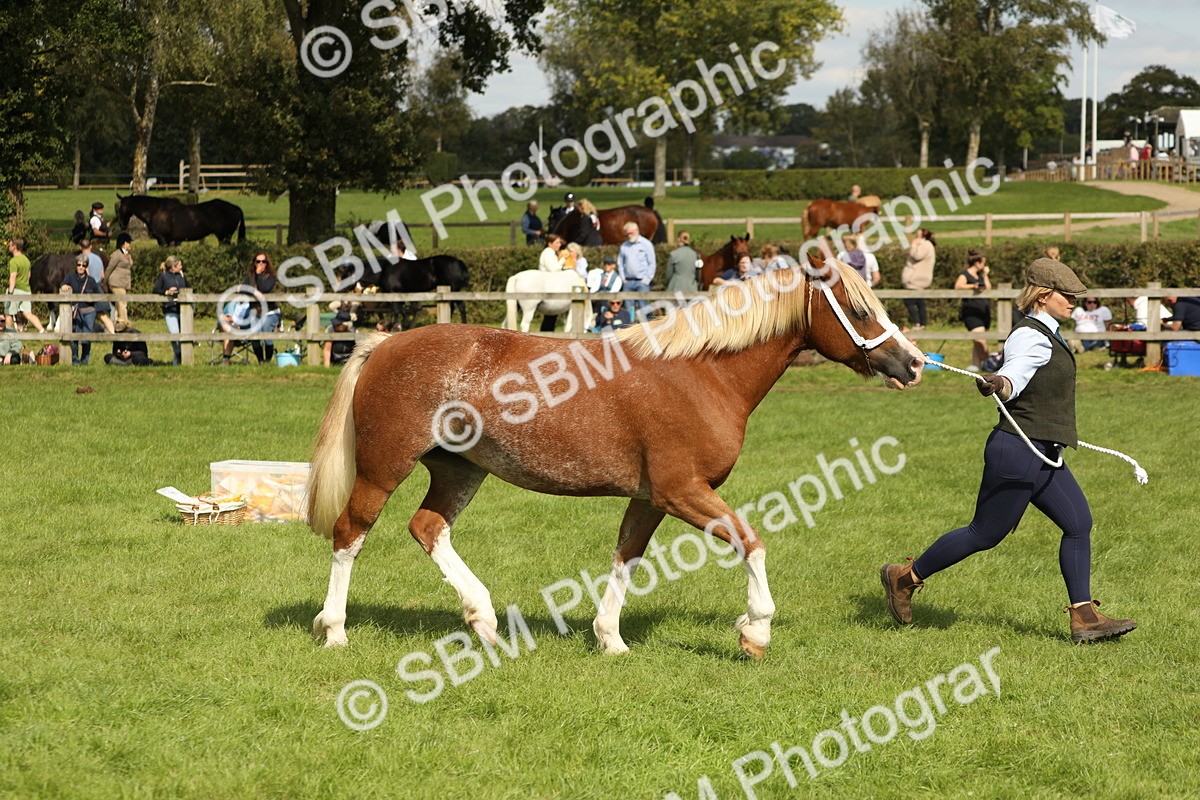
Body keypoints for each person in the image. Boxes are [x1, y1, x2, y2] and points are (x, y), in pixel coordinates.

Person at [881, 257, 1137, 644]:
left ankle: (1084, 618)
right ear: (1044, 296)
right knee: (985, 533)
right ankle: (904, 578)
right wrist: (1000, 384)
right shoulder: (1030, 335)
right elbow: (1015, 374)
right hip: (1018, 451)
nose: (1073, 301)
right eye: (1066, 295)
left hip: (1044, 452)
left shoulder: (1050, 332)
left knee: (1078, 523)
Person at [954, 249, 992, 371]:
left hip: (983, 311)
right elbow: (958, 286)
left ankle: (976, 366)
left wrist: (985, 276)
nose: (984, 266)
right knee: (980, 341)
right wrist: (973, 286)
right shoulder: (965, 274)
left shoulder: (980, 276)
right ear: (977, 263)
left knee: (978, 341)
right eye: (983, 263)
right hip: (972, 312)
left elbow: (989, 289)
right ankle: (990, 365)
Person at [61, 255, 100, 365]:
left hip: (89, 312)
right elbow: (62, 284)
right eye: (79, 265)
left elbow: (97, 297)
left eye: (83, 265)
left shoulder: (91, 281)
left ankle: (84, 361)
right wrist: (63, 286)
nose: (81, 267)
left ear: (86, 267)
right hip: (75, 312)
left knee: (86, 338)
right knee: (74, 337)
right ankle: (75, 360)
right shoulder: (70, 277)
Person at [245, 252, 281, 364]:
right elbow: (243, 288)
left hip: (270, 311)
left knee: (266, 334)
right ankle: (260, 361)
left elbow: (264, 288)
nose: (261, 264)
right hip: (255, 311)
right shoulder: (250, 275)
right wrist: (254, 291)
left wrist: (259, 275)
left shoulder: (272, 276)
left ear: (267, 263)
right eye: (258, 261)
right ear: (254, 263)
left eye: (263, 261)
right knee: (254, 337)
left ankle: (267, 361)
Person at [152, 255, 188, 365]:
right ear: (173, 266)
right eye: (179, 265)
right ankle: (178, 355)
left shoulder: (181, 276)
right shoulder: (163, 276)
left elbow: (189, 288)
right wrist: (166, 292)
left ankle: (182, 360)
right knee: (175, 334)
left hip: (183, 310)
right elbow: (155, 289)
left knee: (184, 335)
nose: (181, 267)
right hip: (170, 309)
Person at [6, 238, 45, 333]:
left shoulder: (14, 261)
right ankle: (42, 330)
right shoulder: (26, 260)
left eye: (10, 245)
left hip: (16, 290)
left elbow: (13, 277)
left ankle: (10, 336)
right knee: (27, 313)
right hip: (26, 290)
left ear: (14, 247)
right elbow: (29, 275)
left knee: (9, 314)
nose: (8, 246)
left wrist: (10, 293)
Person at [900, 228, 936, 331]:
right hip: (917, 280)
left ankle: (917, 323)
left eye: (917, 236)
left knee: (910, 301)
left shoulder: (925, 245)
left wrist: (914, 245)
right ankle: (921, 323)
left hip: (916, 280)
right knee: (920, 302)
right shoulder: (926, 245)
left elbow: (917, 256)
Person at [618, 222, 656, 316]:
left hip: (642, 281)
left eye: (631, 233)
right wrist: (623, 279)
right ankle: (631, 329)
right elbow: (620, 263)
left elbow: (652, 263)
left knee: (644, 308)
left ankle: (646, 328)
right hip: (628, 282)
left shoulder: (646, 244)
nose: (629, 236)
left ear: (637, 231)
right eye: (627, 234)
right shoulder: (624, 246)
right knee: (629, 309)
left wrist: (646, 280)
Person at [79, 239, 115, 334]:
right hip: (98, 287)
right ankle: (113, 333)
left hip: (88, 289)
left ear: (80, 248)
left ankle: (83, 336)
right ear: (90, 247)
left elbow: (86, 275)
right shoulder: (98, 258)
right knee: (102, 315)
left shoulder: (82, 259)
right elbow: (102, 275)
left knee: (83, 312)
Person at [106, 233, 134, 327]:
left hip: (123, 283)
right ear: (124, 243)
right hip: (116, 282)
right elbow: (109, 268)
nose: (130, 245)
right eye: (129, 243)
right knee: (122, 302)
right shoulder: (117, 254)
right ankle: (125, 322)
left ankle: (117, 322)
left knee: (119, 304)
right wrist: (104, 281)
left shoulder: (127, 254)